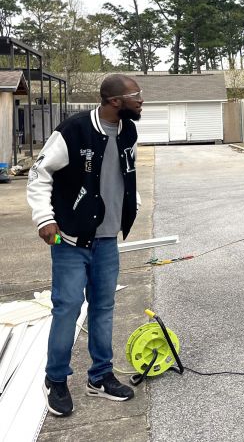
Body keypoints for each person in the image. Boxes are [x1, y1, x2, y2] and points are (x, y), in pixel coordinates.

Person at [27, 74, 144, 417]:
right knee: (68, 307)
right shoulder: (73, 130)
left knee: (104, 307)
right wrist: (44, 219)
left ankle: (101, 376)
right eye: (136, 95)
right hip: (70, 239)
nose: (141, 101)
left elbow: (126, 172)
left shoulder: (129, 132)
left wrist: (130, 205)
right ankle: (56, 380)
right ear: (114, 101)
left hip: (107, 239)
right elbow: (39, 173)